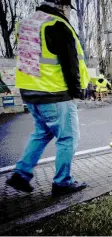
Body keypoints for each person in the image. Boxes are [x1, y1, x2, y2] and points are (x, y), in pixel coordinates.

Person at [6, 0, 90, 196]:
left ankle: (21, 173)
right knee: (68, 138)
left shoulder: (28, 24)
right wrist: (77, 91)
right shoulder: (57, 25)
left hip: (30, 92)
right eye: (69, 8)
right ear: (61, 6)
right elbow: (70, 64)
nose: (69, 13)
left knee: (42, 133)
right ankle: (62, 183)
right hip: (55, 93)